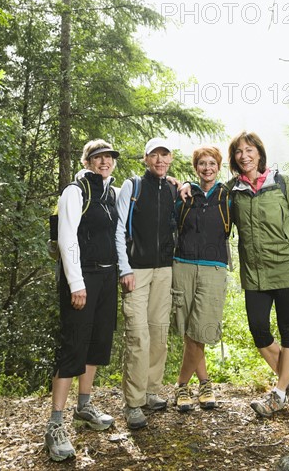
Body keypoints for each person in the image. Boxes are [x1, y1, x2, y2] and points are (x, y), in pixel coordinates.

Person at [227, 131, 289, 418]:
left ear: (259, 152)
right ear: (233, 158)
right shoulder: (232, 191)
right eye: (238, 152)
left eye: (249, 150)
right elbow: (209, 207)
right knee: (259, 330)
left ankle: (279, 393)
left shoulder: (282, 183)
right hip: (255, 274)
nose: (244, 156)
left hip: (288, 269)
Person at [45, 140, 120, 462]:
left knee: (97, 343)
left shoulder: (109, 194)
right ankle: (55, 424)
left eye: (109, 158)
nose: (105, 162)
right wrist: (76, 283)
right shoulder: (75, 192)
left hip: (107, 278)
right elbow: (66, 238)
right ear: (87, 161)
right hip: (82, 278)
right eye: (98, 158)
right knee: (73, 345)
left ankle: (84, 406)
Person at [115, 137, 177, 429]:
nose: (160, 160)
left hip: (165, 269)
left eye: (164, 155)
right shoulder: (133, 186)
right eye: (155, 155)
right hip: (136, 271)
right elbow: (118, 229)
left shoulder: (174, 189)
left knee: (158, 334)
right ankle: (134, 403)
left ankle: (152, 391)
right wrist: (124, 268)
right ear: (146, 158)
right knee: (138, 336)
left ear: (171, 158)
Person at [172, 145, 231, 412]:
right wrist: (182, 183)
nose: (207, 168)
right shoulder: (185, 195)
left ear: (219, 167)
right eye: (202, 164)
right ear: (195, 168)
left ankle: (182, 386)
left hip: (214, 268)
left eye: (212, 164)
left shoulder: (228, 196)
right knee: (189, 331)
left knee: (203, 329)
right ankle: (205, 383)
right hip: (182, 265)